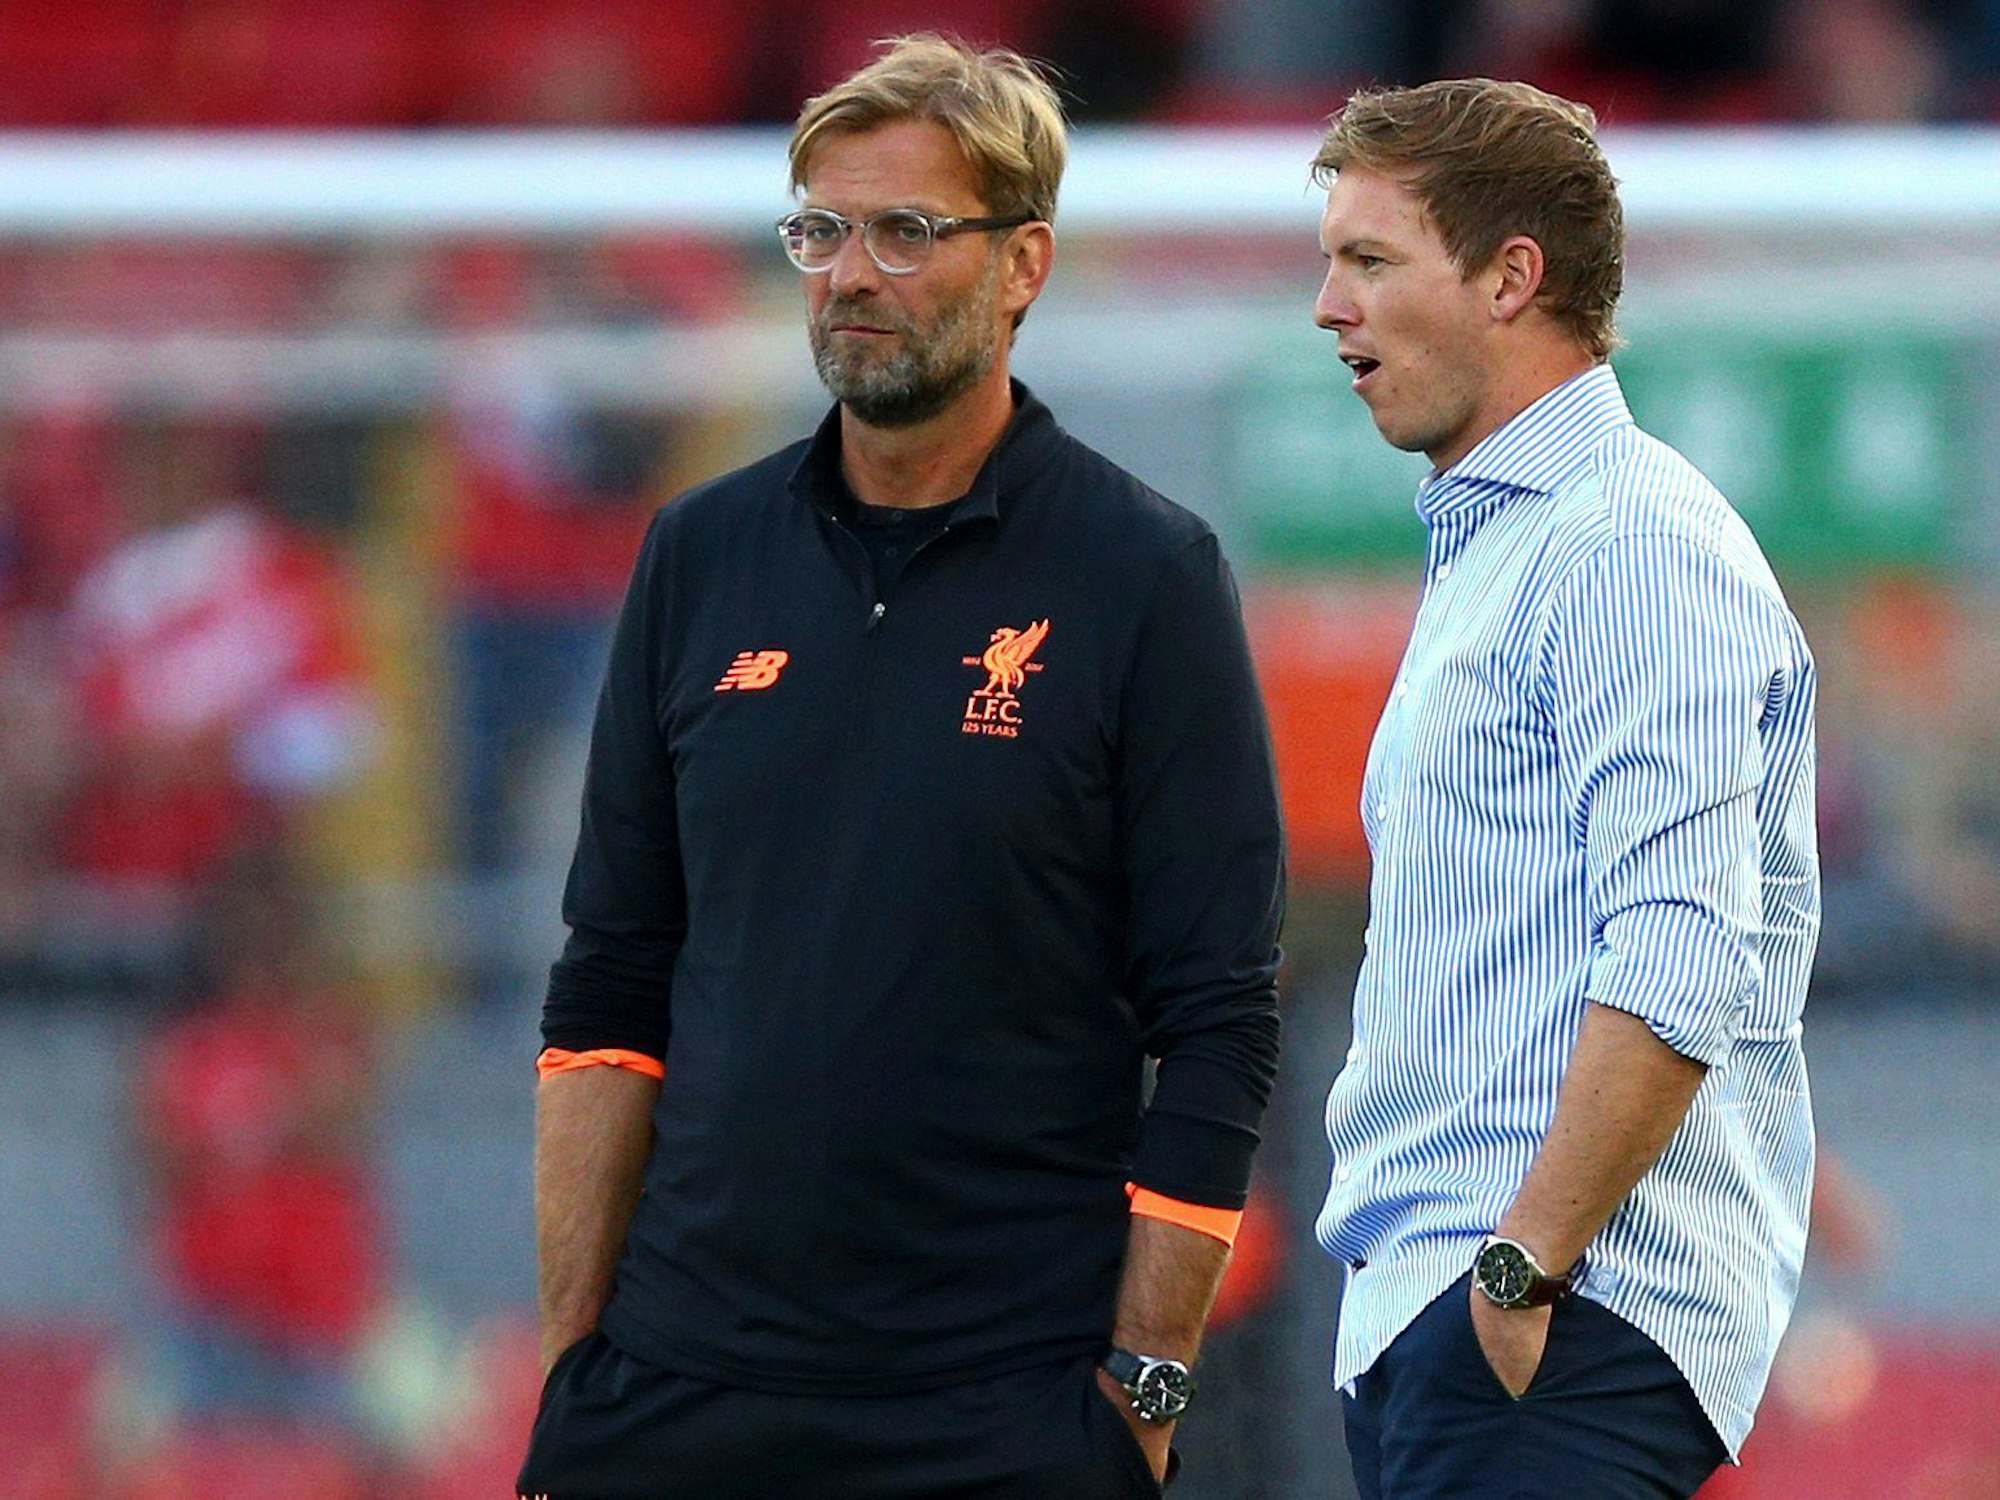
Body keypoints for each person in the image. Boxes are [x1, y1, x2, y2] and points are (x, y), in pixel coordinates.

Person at [516, 34, 1285, 1500]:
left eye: (906, 233)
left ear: (1024, 265)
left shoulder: (1146, 574)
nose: (850, 275)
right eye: (821, 230)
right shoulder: (698, 554)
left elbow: (1220, 1019)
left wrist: (1144, 1388)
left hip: (1003, 1411)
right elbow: (610, 982)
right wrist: (579, 1365)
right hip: (678, 1396)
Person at [1306, 79, 1820, 1499]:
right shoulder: (1515, 546)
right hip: (1473, 1319)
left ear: (1510, 276)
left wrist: (1519, 1274)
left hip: (1558, 1318)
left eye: (1369, 260)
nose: (1326, 307)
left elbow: (1677, 949)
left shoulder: (1623, 542)